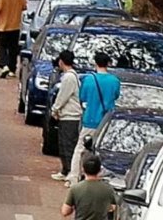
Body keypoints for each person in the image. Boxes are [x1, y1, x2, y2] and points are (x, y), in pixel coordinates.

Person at [68, 52, 122, 185]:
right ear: (108, 63)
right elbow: (115, 96)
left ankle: (74, 177)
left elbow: (83, 97)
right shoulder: (114, 81)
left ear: (95, 63)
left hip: (90, 119)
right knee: (101, 150)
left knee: (80, 149)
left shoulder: (88, 79)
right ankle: (99, 178)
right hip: (106, 122)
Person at [51, 49, 83, 182]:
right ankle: (65, 169)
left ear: (61, 62)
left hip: (71, 115)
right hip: (68, 115)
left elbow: (63, 96)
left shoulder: (69, 77)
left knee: (68, 143)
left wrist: (55, 109)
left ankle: (70, 170)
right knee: (63, 143)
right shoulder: (71, 76)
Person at [61, 152, 117, 220]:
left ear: (83, 169)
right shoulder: (108, 189)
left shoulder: (75, 189)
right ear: (99, 170)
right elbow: (113, 207)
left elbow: (65, 211)